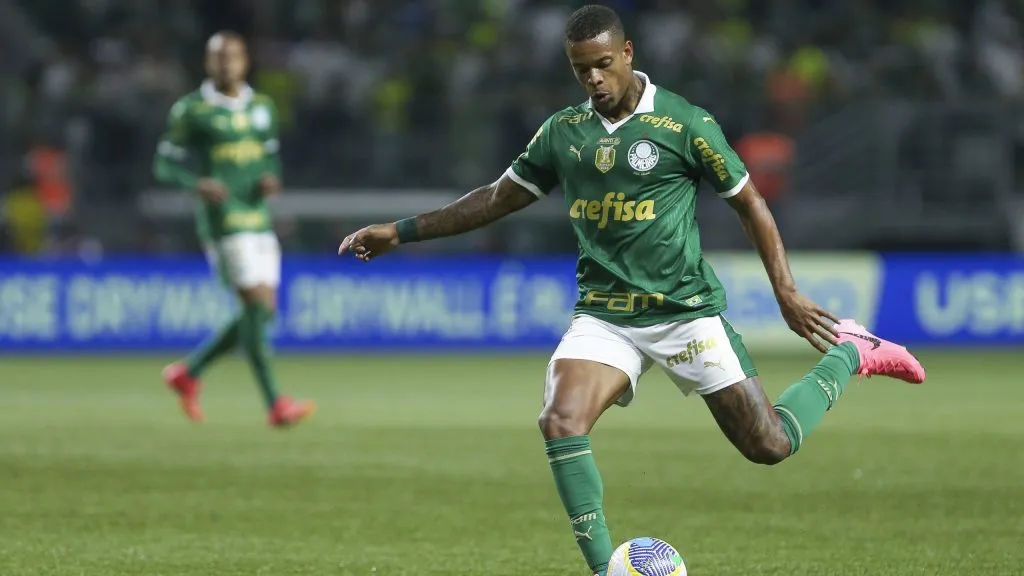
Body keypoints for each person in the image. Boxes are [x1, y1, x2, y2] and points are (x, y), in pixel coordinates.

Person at [337, 6, 926, 575]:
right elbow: (496, 198)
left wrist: (787, 293)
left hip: (685, 311)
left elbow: (751, 203)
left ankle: (852, 350)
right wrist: (401, 231)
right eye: (579, 68)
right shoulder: (563, 133)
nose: (592, 78)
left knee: (769, 445)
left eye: (601, 64)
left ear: (627, 53)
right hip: (606, 315)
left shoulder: (684, 123)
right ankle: (605, 571)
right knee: (560, 420)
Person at [153, 31, 314, 428]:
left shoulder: (262, 107)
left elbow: (270, 160)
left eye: (233, 56)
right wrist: (197, 184)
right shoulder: (191, 109)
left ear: (245, 61)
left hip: (257, 216)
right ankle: (276, 404)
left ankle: (189, 373)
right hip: (224, 220)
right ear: (208, 63)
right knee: (257, 307)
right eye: (218, 57)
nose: (226, 64)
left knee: (262, 312)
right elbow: (164, 164)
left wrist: (269, 180)